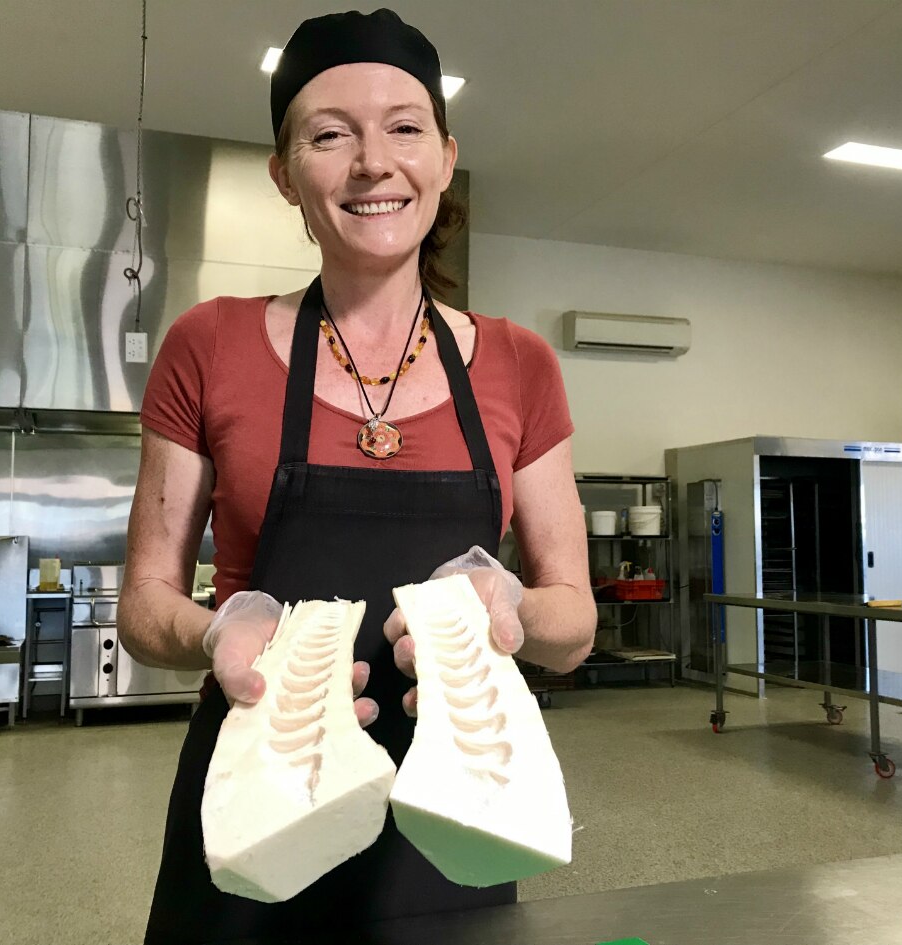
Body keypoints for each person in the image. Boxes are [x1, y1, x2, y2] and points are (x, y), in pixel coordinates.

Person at [118, 8, 596, 943]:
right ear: (285, 173)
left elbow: (573, 622)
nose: (374, 161)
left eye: (405, 126)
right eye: (330, 133)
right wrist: (216, 631)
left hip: (456, 808)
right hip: (258, 792)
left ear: (446, 157)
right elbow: (145, 601)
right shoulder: (206, 345)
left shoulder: (520, 363)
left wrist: (511, 606)